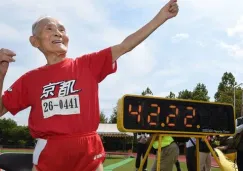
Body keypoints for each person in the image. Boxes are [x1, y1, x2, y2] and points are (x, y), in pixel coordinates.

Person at [0, 0, 179, 171]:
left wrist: (161, 17)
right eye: (49, 29)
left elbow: (125, 46)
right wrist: (1, 75)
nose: (58, 32)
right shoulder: (30, 79)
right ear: (34, 41)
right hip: (50, 153)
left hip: (88, 151)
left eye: (62, 29)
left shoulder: (86, 65)